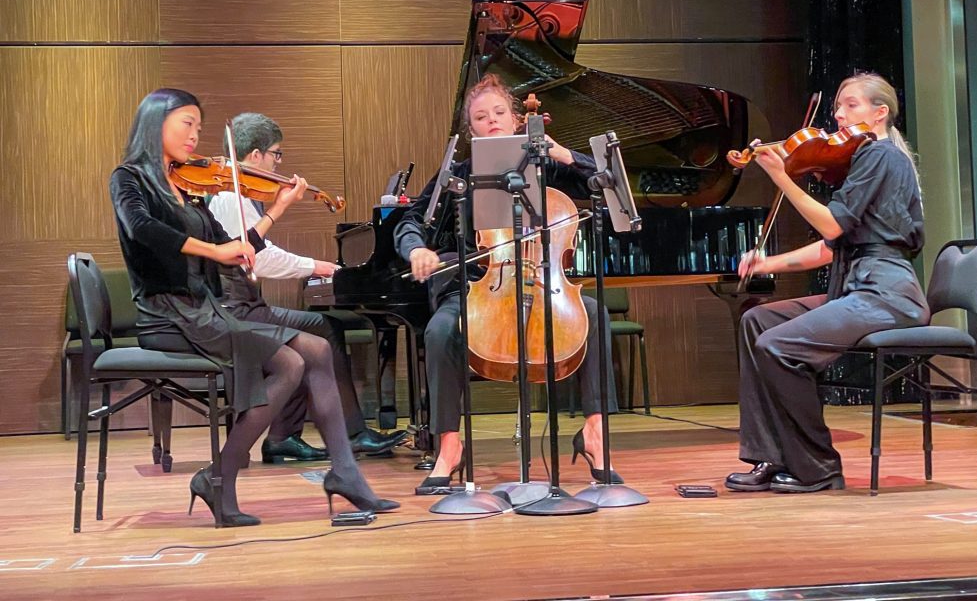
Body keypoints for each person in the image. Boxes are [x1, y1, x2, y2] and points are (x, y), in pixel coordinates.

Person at [109, 88, 399, 526]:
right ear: (155, 123)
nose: (195, 136)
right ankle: (220, 476)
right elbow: (143, 228)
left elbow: (237, 248)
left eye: (199, 128)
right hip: (168, 313)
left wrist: (276, 210)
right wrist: (213, 251)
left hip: (204, 309)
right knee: (288, 364)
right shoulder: (129, 178)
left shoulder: (186, 186)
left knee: (317, 351)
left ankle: (345, 473)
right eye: (186, 124)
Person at [394, 74, 621, 490]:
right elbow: (410, 218)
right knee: (442, 329)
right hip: (477, 283)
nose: (492, 121)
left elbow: (607, 188)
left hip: (541, 281)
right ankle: (449, 445)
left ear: (518, 120)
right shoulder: (461, 173)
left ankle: (594, 433)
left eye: (499, 113)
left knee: (594, 315)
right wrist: (416, 249)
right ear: (472, 129)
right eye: (481, 117)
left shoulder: (545, 165)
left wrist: (564, 153)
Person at [725, 72, 929, 494]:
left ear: (879, 113)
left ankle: (818, 468)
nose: (838, 114)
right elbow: (830, 247)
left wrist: (781, 177)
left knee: (778, 345)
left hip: (887, 295)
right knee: (758, 323)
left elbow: (832, 225)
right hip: (857, 287)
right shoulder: (863, 160)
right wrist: (767, 264)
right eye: (838, 105)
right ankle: (773, 456)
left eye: (850, 105)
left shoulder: (882, 157)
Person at [208, 112, 407, 461]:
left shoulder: (239, 193)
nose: (278, 162)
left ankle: (285, 436)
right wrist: (314, 266)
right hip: (233, 312)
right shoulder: (229, 197)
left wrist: (312, 266)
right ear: (256, 156)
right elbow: (258, 257)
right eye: (276, 154)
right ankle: (350, 434)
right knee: (322, 329)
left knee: (317, 330)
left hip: (242, 307)